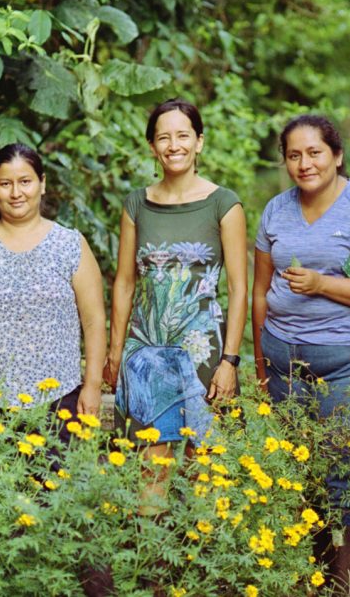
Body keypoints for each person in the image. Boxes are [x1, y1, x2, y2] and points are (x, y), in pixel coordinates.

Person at [252, 114, 350, 596]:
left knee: (343, 470)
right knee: (300, 473)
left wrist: (323, 284)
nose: (305, 163)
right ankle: (316, 579)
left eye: (315, 152)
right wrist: (259, 363)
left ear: (337, 155)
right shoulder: (276, 211)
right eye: (294, 155)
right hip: (284, 358)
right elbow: (261, 292)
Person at [106, 98, 247, 508]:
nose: (174, 145)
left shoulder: (224, 203)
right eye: (163, 137)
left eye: (183, 135)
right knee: (152, 464)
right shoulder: (137, 203)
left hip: (202, 350)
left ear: (199, 142)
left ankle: (194, 563)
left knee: (200, 465)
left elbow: (238, 287)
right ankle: (152, 565)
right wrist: (115, 352)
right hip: (145, 349)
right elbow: (125, 283)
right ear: (152, 146)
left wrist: (230, 361)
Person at [0, 143, 107, 428]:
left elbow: (94, 320)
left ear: (42, 184)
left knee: (56, 475)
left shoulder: (70, 245)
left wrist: (92, 386)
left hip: (58, 401)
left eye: (25, 182)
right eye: (5, 184)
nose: (16, 193)